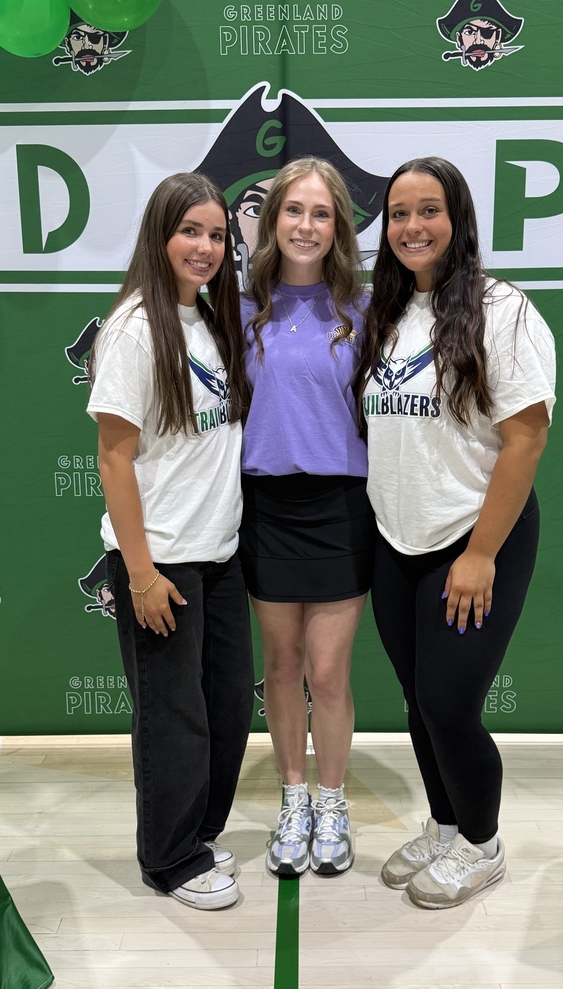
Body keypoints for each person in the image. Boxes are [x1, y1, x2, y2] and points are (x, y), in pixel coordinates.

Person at [354, 156, 556, 909]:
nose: (412, 226)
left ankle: (483, 844)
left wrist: (479, 554)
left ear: (458, 219)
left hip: (473, 540)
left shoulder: (504, 311)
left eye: (428, 210)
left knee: (448, 706)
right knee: (416, 699)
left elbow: (526, 440)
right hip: (397, 539)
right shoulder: (388, 310)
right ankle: (444, 827)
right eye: (399, 213)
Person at [86, 172, 254, 911]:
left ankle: (198, 832)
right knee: (173, 716)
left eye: (217, 234)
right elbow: (114, 457)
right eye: (191, 231)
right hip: (164, 560)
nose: (206, 246)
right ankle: (169, 858)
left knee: (222, 707)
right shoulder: (132, 328)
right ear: (160, 236)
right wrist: (143, 572)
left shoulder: (213, 324)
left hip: (219, 552)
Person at [239, 157, 374, 877]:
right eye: (294, 210)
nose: (306, 225)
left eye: (321, 214)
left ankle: (332, 800)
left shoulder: (366, 310)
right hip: (266, 509)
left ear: (338, 227)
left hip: (339, 508)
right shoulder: (237, 308)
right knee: (283, 667)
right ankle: (293, 797)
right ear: (271, 219)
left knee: (328, 672)